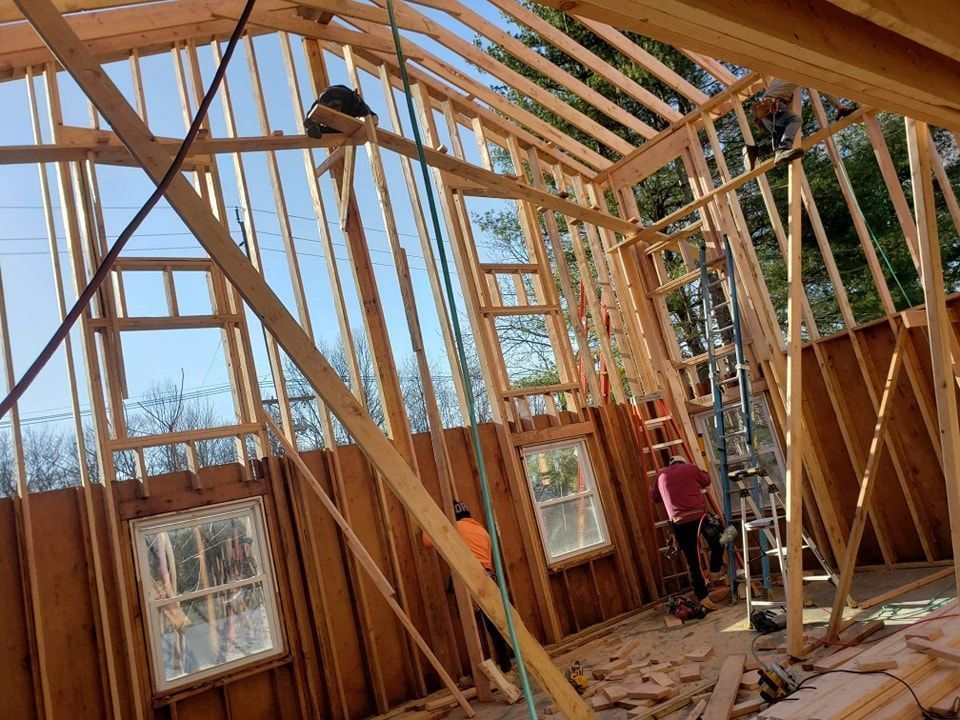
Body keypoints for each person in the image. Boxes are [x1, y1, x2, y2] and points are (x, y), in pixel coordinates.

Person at [423, 501, 514, 672]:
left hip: (466, 579)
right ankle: (506, 662)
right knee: (493, 622)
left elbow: (427, 541)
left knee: (468, 622)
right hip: (487, 577)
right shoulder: (482, 531)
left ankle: (478, 671)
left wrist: (429, 521)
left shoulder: (453, 527)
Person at [650, 456, 725, 610]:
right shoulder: (690, 468)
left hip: (678, 522)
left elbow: (654, 498)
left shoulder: (660, 475)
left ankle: (703, 598)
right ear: (682, 462)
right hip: (699, 516)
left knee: (693, 561)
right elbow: (707, 481)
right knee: (720, 537)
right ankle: (715, 570)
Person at [745, 78, 857, 168]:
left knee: (795, 138)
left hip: (765, 110)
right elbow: (822, 88)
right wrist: (839, 106)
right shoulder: (796, 72)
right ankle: (782, 150)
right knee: (795, 120)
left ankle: (756, 151)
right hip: (773, 105)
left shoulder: (780, 75)